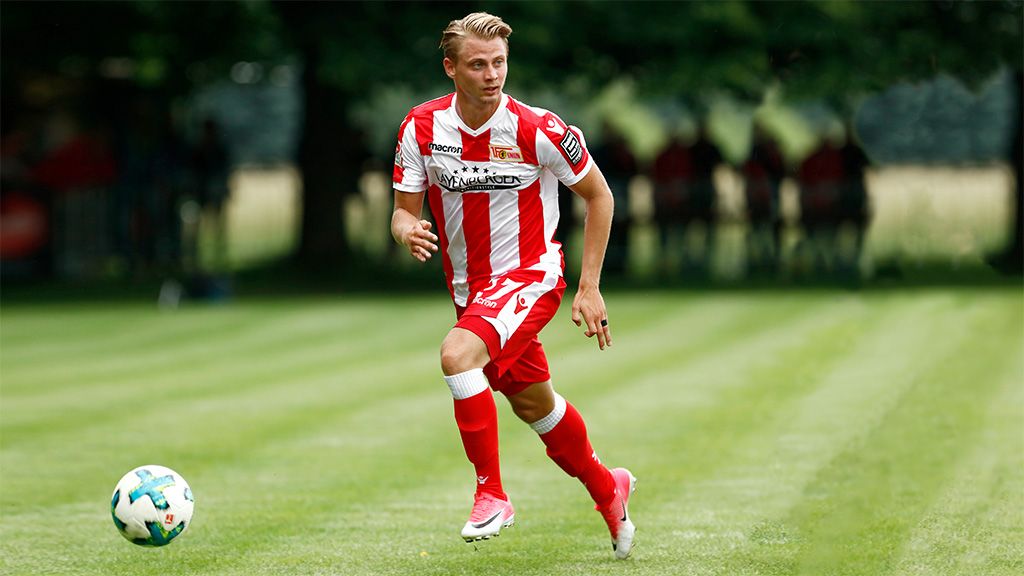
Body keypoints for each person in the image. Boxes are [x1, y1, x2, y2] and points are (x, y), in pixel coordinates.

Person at [390, 12, 636, 559]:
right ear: (451, 68)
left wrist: (589, 286)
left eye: (499, 63)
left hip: (532, 276)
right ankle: (609, 489)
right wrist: (407, 229)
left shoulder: (539, 128)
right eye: (478, 64)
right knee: (535, 407)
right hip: (471, 293)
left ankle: (492, 495)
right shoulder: (421, 128)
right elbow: (403, 211)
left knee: (457, 356)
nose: (492, 74)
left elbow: (600, 196)